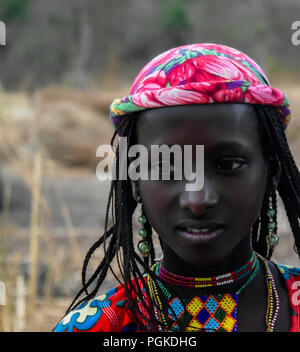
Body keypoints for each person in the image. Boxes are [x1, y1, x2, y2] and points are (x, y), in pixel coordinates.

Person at [53, 43, 300, 332]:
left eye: (228, 165)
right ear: (135, 180)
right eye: (168, 167)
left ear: (271, 171)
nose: (197, 199)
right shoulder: (101, 327)